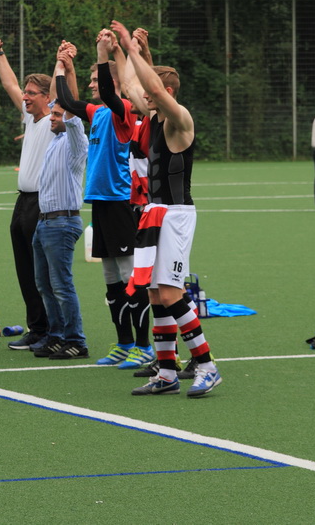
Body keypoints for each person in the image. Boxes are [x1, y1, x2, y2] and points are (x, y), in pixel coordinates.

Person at [112, 20, 221, 398]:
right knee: (156, 294)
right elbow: (133, 85)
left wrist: (134, 49)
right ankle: (166, 372)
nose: (143, 96)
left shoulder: (181, 120)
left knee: (172, 293)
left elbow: (153, 86)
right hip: (154, 213)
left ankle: (207, 366)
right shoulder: (154, 119)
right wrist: (125, 52)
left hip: (176, 216)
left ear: (167, 93)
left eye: (152, 91)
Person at [55, 32, 151, 371]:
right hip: (100, 202)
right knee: (110, 278)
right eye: (93, 80)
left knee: (128, 276)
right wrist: (61, 65)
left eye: (96, 79)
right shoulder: (96, 112)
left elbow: (111, 93)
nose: (92, 85)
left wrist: (102, 53)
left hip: (119, 201)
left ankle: (144, 346)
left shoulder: (122, 110)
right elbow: (67, 101)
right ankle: (124, 343)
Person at [0, 37, 57, 351]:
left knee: (41, 270)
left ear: (48, 97)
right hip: (23, 201)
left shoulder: (54, 121)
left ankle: (52, 330)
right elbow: (9, 84)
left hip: (42, 202)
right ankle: (37, 328)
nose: (25, 97)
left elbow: (61, 91)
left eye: (32, 93)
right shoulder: (31, 118)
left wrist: (62, 62)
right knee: (24, 269)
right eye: (26, 92)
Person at [30, 50, 89, 360]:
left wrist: (68, 71)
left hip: (61, 222)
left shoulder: (75, 140)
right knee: (45, 284)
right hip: (45, 222)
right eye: (52, 113)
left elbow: (71, 106)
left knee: (61, 285)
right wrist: (61, 63)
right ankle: (56, 336)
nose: (51, 117)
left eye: (57, 114)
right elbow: (59, 98)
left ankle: (76, 340)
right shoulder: (55, 139)